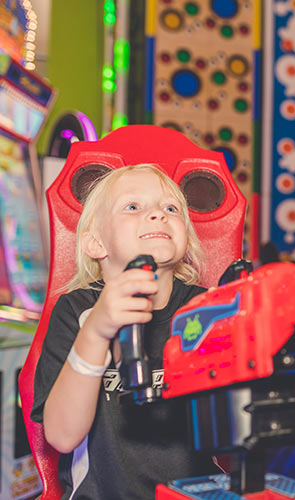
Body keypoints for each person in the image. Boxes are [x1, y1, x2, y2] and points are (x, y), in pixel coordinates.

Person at [31, 164, 218, 499]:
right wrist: (96, 332)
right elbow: (60, 436)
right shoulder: (76, 312)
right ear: (95, 243)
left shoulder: (206, 309)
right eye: (133, 206)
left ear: (186, 239)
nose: (158, 215)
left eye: (170, 208)